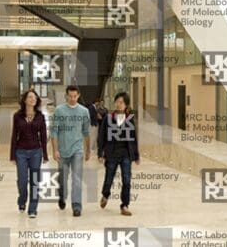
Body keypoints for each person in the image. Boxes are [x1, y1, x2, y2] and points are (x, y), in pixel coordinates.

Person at [50, 85, 91, 216]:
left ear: (78, 95)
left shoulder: (84, 111)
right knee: (62, 178)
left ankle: (76, 205)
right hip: (62, 151)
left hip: (77, 150)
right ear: (66, 96)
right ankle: (62, 196)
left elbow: (86, 132)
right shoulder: (59, 110)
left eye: (75, 96)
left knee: (77, 178)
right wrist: (55, 150)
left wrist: (88, 150)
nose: (73, 99)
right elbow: (54, 131)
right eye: (70, 96)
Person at [98, 91, 140, 216]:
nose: (118, 104)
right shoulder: (108, 118)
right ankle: (105, 195)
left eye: (121, 102)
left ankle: (125, 205)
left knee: (126, 180)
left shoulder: (130, 119)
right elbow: (101, 136)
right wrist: (100, 153)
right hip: (112, 153)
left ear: (126, 105)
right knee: (109, 178)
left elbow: (133, 138)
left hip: (126, 154)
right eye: (117, 102)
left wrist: (136, 155)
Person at [10, 89, 48, 219]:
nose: (33, 99)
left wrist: (45, 154)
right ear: (25, 100)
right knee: (22, 180)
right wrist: (12, 155)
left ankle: (32, 208)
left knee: (35, 181)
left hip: (36, 152)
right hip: (20, 152)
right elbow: (14, 135)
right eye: (30, 97)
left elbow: (43, 136)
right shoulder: (17, 116)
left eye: (35, 98)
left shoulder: (40, 116)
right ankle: (22, 200)